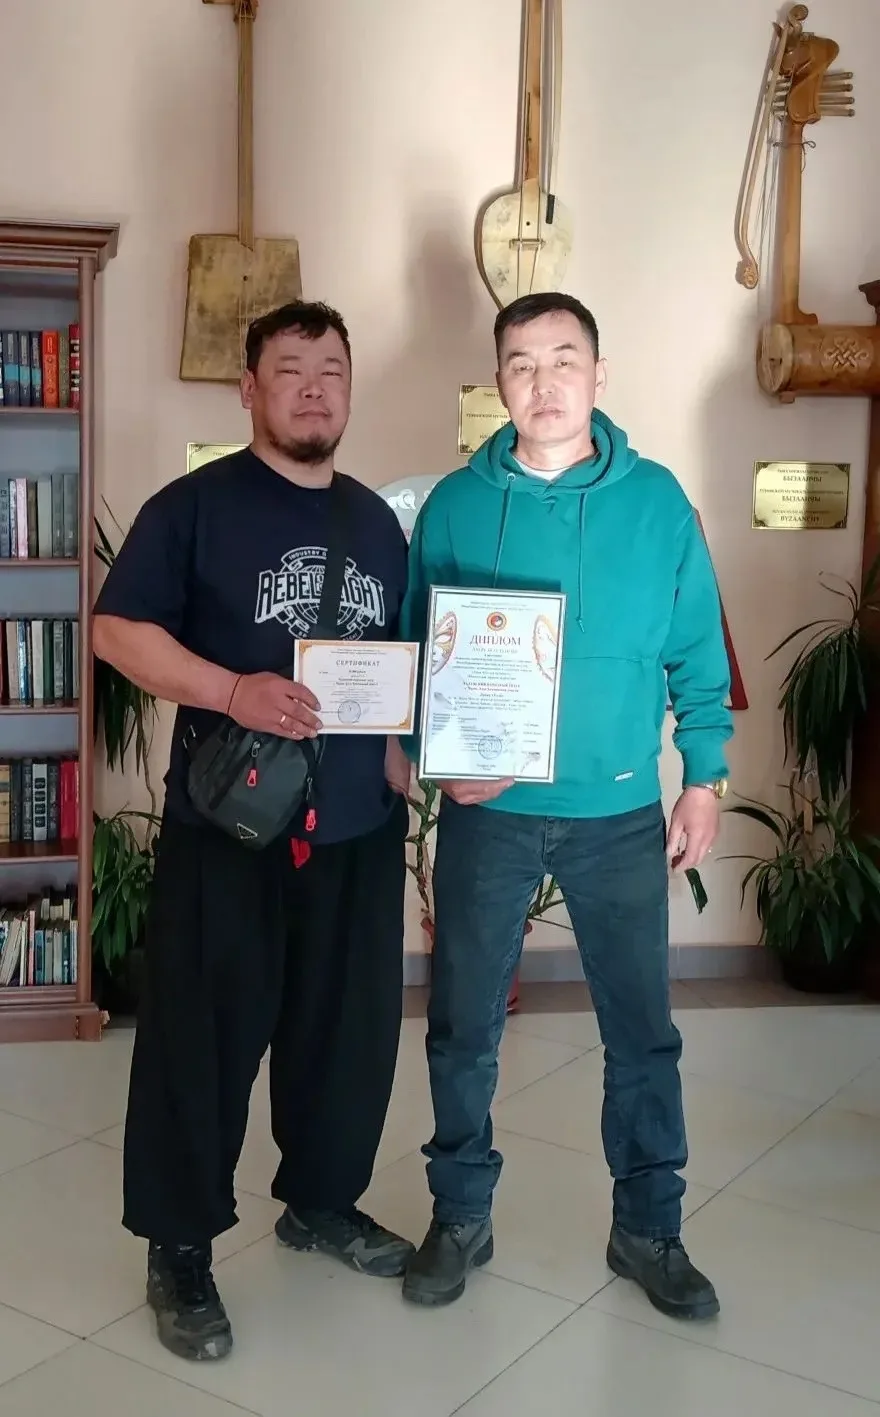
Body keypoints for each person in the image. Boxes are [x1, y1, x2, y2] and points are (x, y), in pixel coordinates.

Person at [398, 291, 731, 1321]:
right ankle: (460, 1214)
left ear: (598, 374)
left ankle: (649, 1228)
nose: (543, 383)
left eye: (563, 360)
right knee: (463, 1026)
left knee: (642, 1031)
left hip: (618, 809)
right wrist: (438, 761)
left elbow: (696, 649)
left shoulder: (658, 503)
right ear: (497, 382)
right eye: (521, 363)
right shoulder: (456, 505)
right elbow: (418, 651)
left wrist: (704, 777)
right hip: (489, 816)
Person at [93, 301, 416, 1363]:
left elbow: (390, 663)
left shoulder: (378, 523)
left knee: (346, 1035)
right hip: (226, 830)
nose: (314, 387)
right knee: (200, 1044)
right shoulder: (193, 506)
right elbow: (116, 630)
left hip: (355, 830)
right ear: (248, 388)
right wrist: (232, 689)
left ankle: (320, 1202)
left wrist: (401, 749)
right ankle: (179, 1247)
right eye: (290, 368)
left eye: (332, 369)